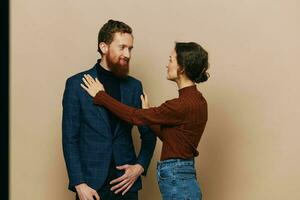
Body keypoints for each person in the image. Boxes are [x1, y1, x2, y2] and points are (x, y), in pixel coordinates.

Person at [81, 42, 210, 200]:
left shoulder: (180, 105)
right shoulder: (198, 101)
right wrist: (150, 114)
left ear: (182, 67)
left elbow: (134, 116)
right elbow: (171, 138)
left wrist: (101, 96)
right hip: (184, 174)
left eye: (171, 60)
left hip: (177, 178)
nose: (167, 64)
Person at [62, 19, 156, 200]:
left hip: (126, 184)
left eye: (130, 48)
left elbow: (149, 134)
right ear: (104, 47)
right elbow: (70, 139)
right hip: (91, 185)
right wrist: (79, 184)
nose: (127, 54)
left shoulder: (134, 86)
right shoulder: (76, 84)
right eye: (122, 47)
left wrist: (139, 167)